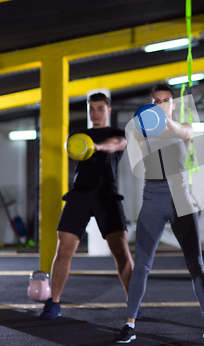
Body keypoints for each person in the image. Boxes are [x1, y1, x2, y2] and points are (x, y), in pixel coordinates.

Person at [114, 83, 204, 343]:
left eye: (165, 100)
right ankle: (130, 323)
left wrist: (163, 119)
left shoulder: (185, 130)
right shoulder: (142, 132)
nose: (160, 104)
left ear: (174, 103)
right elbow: (135, 131)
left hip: (182, 203)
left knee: (196, 265)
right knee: (142, 267)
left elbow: (179, 129)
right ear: (151, 102)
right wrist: (146, 119)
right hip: (152, 203)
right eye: (155, 101)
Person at [41, 93, 134, 320]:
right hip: (79, 196)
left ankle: (133, 303)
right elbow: (71, 146)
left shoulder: (116, 133)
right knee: (63, 250)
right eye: (91, 109)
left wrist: (97, 146)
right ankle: (53, 303)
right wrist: (86, 143)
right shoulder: (78, 135)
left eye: (100, 109)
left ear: (108, 110)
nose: (95, 113)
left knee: (121, 251)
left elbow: (118, 145)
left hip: (107, 197)